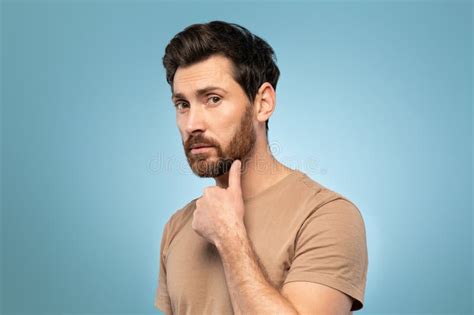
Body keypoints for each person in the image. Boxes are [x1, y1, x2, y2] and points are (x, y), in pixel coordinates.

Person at [154, 20, 368, 314]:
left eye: (213, 99)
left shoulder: (326, 216)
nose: (192, 124)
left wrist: (229, 237)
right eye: (182, 104)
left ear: (263, 103)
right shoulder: (178, 226)